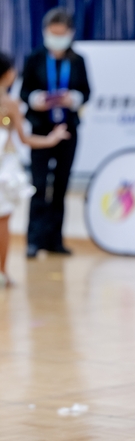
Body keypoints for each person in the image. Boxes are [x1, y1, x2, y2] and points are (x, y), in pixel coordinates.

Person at [20, 7, 90, 258]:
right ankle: (34, 240)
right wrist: (36, 99)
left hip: (68, 131)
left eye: (61, 34)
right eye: (53, 33)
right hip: (40, 131)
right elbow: (24, 91)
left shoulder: (77, 60)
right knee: (38, 185)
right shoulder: (35, 58)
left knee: (61, 185)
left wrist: (74, 98)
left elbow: (87, 92)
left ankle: (55, 241)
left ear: (70, 33)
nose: (57, 38)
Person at [0, 52, 69, 286]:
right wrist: (52, 139)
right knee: (2, 219)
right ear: (8, 74)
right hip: (4, 168)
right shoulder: (10, 104)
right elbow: (25, 138)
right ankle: (1, 272)